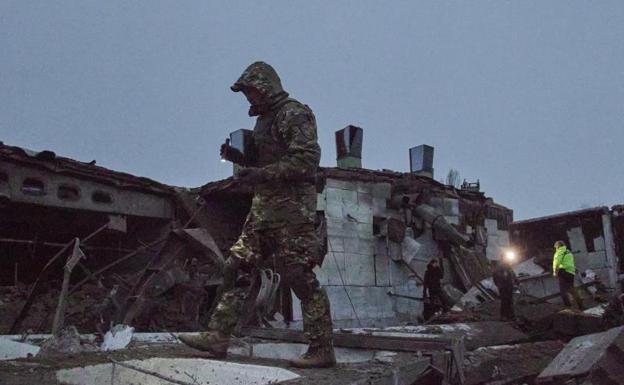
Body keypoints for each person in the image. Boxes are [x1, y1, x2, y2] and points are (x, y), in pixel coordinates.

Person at [179, 62, 335, 368]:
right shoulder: (264, 120)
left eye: (251, 91)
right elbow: (268, 157)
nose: (249, 98)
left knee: (298, 276)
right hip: (263, 211)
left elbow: (306, 161)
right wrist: (241, 157)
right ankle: (218, 336)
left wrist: (261, 174)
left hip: (292, 211)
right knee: (236, 266)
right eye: (246, 93)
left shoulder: (293, 112)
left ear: (266, 87)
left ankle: (321, 348)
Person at [552, 240, 584, 310]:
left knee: (563, 290)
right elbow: (570, 263)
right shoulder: (568, 252)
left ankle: (568, 306)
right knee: (572, 289)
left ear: (558, 246)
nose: (555, 248)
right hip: (570, 272)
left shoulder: (559, 252)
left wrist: (555, 272)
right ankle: (580, 304)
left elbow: (557, 263)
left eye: (556, 247)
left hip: (563, 272)